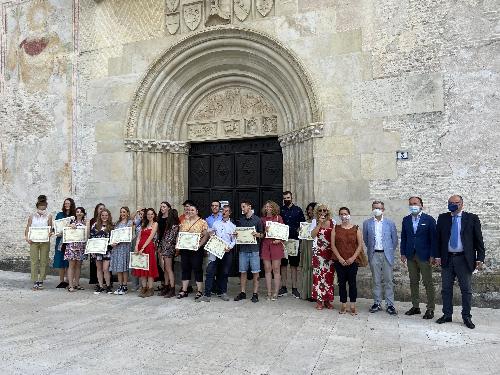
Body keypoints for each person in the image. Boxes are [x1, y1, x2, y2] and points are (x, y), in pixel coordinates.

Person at [435, 195, 485, 329]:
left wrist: (480, 258)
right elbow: (438, 239)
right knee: (446, 289)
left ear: (462, 204)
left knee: (466, 290)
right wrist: (437, 256)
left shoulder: (472, 218)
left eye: (456, 203)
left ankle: (466, 316)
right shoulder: (443, 218)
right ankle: (447, 314)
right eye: (451, 203)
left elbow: (479, 240)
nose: (453, 205)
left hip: (464, 259)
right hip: (447, 258)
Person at [400, 196, 437, 319]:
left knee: (428, 282)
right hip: (411, 255)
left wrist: (433, 255)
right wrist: (403, 253)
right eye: (410, 204)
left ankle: (430, 308)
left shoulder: (429, 219)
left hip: (425, 256)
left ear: (421, 205)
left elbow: (434, 239)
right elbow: (404, 237)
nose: (413, 206)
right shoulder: (406, 220)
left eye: (415, 203)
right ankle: (415, 306)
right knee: (413, 282)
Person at [363, 200, 398, 315]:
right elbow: (366, 239)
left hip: (386, 254)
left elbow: (394, 240)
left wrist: (388, 250)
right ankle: (377, 302)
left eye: (379, 208)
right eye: (374, 207)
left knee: (388, 280)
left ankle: (390, 304)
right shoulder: (367, 223)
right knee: (376, 280)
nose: (376, 210)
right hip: (374, 254)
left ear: (383, 209)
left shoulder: (390, 223)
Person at [197, 205, 236, 302]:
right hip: (215, 251)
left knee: (224, 273)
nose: (224, 212)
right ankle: (207, 295)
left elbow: (234, 240)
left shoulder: (233, 226)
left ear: (229, 213)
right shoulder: (216, 223)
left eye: (226, 211)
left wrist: (230, 247)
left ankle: (222, 292)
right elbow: (212, 234)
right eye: (223, 211)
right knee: (210, 272)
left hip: (226, 252)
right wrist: (211, 234)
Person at [332, 207, 363, 315]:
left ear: (349, 215)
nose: (343, 216)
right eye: (341, 214)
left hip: (352, 261)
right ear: (339, 216)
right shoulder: (335, 228)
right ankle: (343, 304)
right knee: (341, 283)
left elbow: (359, 245)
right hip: (339, 261)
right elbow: (333, 245)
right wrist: (340, 258)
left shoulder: (356, 228)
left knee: (352, 283)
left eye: (345, 213)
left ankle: (353, 305)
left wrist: (353, 258)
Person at [176, 202, 209, 300]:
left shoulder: (202, 222)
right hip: (185, 249)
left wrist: (199, 245)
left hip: (196, 250)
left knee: (197, 269)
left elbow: (206, 235)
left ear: (197, 211)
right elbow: (180, 234)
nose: (190, 211)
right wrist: (178, 243)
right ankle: (184, 290)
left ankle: (199, 290)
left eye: (192, 210)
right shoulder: (184, 222)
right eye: (189, 210)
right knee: (185, 268)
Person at [234, 200, 263, 303]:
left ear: (249, 207)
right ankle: (243, 292)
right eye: (241, 207)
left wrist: (258, 235)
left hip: (254, 250)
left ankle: (255, 294)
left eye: (243, 207)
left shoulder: (257, 220)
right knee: (243, 272)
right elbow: (239, 234)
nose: (242, 209)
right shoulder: (241, 220)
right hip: (243, 250)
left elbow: (263, 234)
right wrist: (236, 235)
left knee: (256, 273)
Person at [279, 191, 305, 298]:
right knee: (283, 265)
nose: (286, 199)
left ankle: (295, 288)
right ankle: (284, 287)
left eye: (288, 197)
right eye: (285, 198)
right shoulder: (280, 210)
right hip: (283, 241)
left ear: (292, 198)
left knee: (294, 265)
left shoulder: (298, 210)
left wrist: (299, 232)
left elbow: (302, 224)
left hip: (294, 241)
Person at [24, 195, 53, 290]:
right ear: (37, 206)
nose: (42, 208)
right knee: (34, 260)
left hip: (44, 241)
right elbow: (28, 227)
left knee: (44, 260)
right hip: (34, 241)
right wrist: (27, 237)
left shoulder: (49, 216)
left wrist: (50, 233)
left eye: (44, 206)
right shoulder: (32, 216)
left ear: (46, 206)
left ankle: (41, 280)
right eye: (41, 206)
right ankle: (35, 280)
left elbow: (51, 228)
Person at [310, 204, 335, 310]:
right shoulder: (315, 222)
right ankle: (319, 301)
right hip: (318, 253)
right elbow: (312, 235)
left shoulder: (333, 222)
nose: (322, 212)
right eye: (320, 210)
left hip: (329, 253)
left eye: (324, 210)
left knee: (329, 277)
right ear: (317, 212)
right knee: (319, 277)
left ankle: (328, 300)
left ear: (327, 211)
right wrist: (319, 223)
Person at [261, 200, 285, 301]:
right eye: (266, 207)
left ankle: (276, 292)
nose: (268, 208)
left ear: (274, 208)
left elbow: (284, 232)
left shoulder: (278, 218)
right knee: (267, 269)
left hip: (276, 245)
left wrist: (279, 240)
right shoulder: (262, 219)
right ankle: (269, 292)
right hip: (266, 244)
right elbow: (260, 235)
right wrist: (264, 231)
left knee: (276, 269)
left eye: (270, 207)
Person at [133, 208, 160, 297]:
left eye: (151, 214)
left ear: (154, 215)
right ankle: (144, 288)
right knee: (142, 267)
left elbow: (151, 237)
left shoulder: (155, 224)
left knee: (149, 268)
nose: (150, 216)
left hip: (149, 247)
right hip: (140, 247)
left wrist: (143, 247)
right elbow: (139, 237)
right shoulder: (144, 224)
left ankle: (150, 288)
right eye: (148, 214)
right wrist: (137, 246)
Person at [110, 207, 134, 295]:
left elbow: (129, 234)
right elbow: (114, 235)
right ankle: (120, 285)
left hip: (125, 247)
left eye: (124, 212)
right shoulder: (117, 223)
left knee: (124, 268)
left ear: (127, 213)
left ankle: (125, 286)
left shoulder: (130, 222)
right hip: (117, 248)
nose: (122, 214)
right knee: (119, 268)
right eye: (121, 212)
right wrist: (112, 243)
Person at [90, 208, 114, 295]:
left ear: (109, 216)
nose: (104, 217)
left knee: (105, 269)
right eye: (103, 215)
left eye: (106, 215)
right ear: (100, 216)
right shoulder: (95, 225)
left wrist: (113, 244)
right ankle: (100, 286)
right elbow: (91, 237)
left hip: (107, 250)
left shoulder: (111, 226)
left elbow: (114, 238)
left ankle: (108, 286)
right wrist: (91, 249)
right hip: (97, 251)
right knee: (99, 269)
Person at [64, 207, 88, 292]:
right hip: (71, 246)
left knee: (78, 266)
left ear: (83, 214)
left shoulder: (85, 223)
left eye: (81, 212)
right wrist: (70, 225)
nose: (79, 213)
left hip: (81, 246)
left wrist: (87, 225)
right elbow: (63, 229)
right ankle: (70, 285)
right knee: (71, 266)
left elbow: (88, 234)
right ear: (75, 213)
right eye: (77, 212)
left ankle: (77, 283)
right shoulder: (71, 221)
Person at [53, 198, 75, 288]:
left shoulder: (74, 215)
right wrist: (55, 231)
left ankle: (68, 280)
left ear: (71, 204)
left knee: (69, 261)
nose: (66, 205)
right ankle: (61, 281)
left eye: (68, 203)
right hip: (60, 240)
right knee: (61, 260)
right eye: (65, 203)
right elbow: (56, 227)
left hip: (70, 241)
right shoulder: (59, 215)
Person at [159, 208, 180, 298]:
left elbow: (170, 240)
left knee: (168, 269)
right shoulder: (169, 225)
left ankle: (172, 288)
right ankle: (166, 287)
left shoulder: (175, 226)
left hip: (168, 249)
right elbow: (164, 238)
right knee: (165, 269)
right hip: (164, 248)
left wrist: (163, 250)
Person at [205, 200, 223, 295]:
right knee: (211, 268)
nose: (215, 207)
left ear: (219, 207)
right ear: (211, 207)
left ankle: (220, 289)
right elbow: (206, 233)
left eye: (216, 205)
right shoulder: (207, 219)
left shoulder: (223, 217)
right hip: (211, 246)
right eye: (213, 205)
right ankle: (212, 287)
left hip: (221, 246)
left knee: (220, 269)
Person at [300, 202, 316, 301]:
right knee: (307, 268)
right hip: (306, 246)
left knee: (313, 268)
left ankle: (314, 293)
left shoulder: (317, 222)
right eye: (309, 209)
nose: (309, 211)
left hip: (313, 246)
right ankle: (307, 293)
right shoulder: (306, 222)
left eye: (312, 209)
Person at [157, 201, 172, 295]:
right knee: (163, 266)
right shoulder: (159, 218)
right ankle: (165, 285)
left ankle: (170, 286)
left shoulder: (171, 219)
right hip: (160, 244)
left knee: (168, 267)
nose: (162, 208)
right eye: (161, 206)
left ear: (168, 208)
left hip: (169, 245)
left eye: (164, 206)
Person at [89, 203, 105, 287]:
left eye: (103, 209)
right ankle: (97, 282)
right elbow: (90, 234)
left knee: (105, 266)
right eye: (100, 209)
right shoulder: (92, 221)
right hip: (95, 247)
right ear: (97, 210)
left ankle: (105, 282)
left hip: (104, 248)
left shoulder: (107, 221)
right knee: (96, 265)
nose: (102, 210)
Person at [129, 208, 144, 291]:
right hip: (136, 243)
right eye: (140, 214)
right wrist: (137, 211)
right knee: (135, 264)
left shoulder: (147, 223)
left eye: (143, 214)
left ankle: (142, 285)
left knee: (142, 264)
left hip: (144, 244)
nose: (141, 215)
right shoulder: (138, 221)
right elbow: (131, 219)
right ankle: (135, 285)